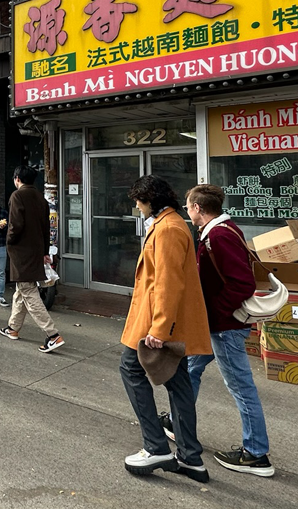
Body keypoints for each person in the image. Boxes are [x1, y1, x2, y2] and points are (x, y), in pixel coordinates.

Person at [120, 175, 212, 483]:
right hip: (167, 320)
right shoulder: (170, 224)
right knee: (178, 382)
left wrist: (159, 328)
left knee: (131, 369)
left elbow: (168, 283)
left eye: (139, 200)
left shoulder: (169, 229)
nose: (137, 206)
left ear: (150, 200)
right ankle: (190, 458)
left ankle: (156, 446)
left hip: (157, 321)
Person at [178, 184, 274, 477]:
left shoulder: (219, 235)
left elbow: (242, 284)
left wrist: (216, 313)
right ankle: (178, 419)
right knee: (190, 367)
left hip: (225, 327)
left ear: (198, 208)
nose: (187, 211)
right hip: (216, 324)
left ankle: (256, 453)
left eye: (188, 207)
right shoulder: (220, 230)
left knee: (241, 387)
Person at [0, 165, 65, 353]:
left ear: (17, 178)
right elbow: (46, 228)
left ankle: (53, 335)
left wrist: (9, 241)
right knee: (22, 290)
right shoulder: (40, 198)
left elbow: (15, 225)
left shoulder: (17, 196)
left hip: (21, 252)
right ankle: (13, 328)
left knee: (28, 291)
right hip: (36, 250)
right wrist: (45, 250)